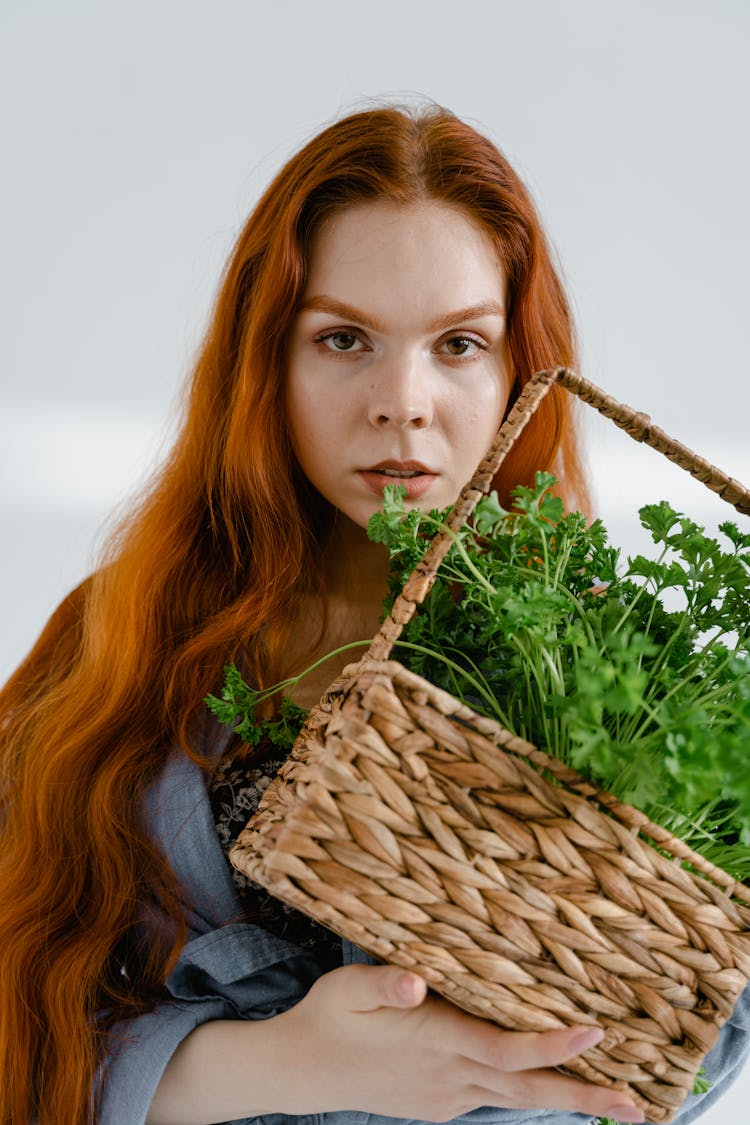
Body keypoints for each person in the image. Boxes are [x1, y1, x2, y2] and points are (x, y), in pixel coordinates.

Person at [0, 102, 748, 1125]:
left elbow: (685, 1054)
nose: (402, 401)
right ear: (267, 361)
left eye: (458, 345)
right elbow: (21, 1022)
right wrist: (282, 1066)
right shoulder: (123, 639)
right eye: (344, 338)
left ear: (521, 368)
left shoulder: (597, 669)